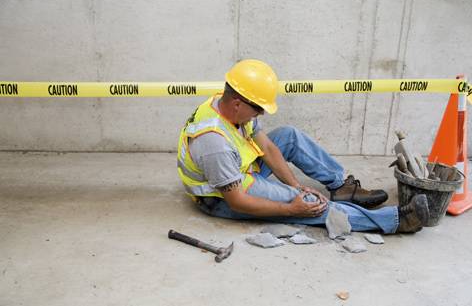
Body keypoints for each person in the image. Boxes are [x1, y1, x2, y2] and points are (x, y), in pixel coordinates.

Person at [177, 59, 430, 233]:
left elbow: (267, 146)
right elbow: (237, 202)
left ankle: (340, 186)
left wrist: (295, 184)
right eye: (258, 109)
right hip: (221, 197)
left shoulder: (227, 107)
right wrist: (291, 206)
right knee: (309, 204)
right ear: (237, 104)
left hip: (237, 169)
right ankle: (396, 221)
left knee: (288, 136)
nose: (261, 114)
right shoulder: (214, 143)